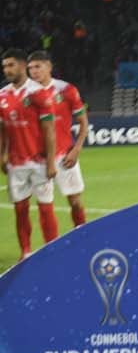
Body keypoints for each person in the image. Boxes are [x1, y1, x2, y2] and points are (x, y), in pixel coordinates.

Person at [0, 49, 58, 257]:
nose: (7, 69)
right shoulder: (3, 95)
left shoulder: (38, 92)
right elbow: (2, 130)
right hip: (15, 163)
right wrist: (2, 155)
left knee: (45, 207)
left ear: (23, 66)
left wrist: (51, 162)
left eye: (11, 65)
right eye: (5, 66)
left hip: (39, 161)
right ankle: (25, 253)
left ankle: (52, 250)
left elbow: (49, 130)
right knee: (20, 208)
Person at [26, 51, 88, 227]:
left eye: (38, 66)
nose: (34, 71)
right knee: (45, 205)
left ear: (49, 67)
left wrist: (76, 149)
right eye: (30, 68)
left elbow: (83, 123)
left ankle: (82, 236)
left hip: (65, 156)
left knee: (75, 201)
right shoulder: (24, 94)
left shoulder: (66, 90)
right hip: (38, 159)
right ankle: (51, 246)